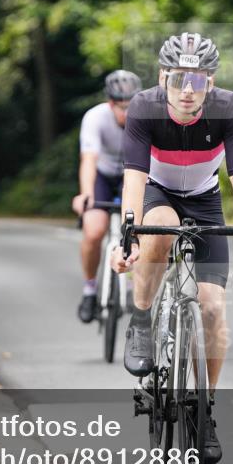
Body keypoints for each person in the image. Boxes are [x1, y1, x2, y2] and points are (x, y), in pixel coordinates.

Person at [111, 32, 233, 464]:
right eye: (179, 79)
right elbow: (133, 179)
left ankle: (203, 411)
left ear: (211, 82)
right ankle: (141, 321)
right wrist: (128, 237)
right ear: (162, 77)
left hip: (204, 201)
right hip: (157, 193)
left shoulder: (229, 108)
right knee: (162, 228)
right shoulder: (143, 107)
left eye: (198, 80)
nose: (187, 89)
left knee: (213, 309)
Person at [73, 70, 142, 323]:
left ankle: (133, 284)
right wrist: (86, 194)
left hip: (131, 176)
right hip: (102, 175)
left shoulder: (145, 118)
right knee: (93, 231)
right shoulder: (95, 117)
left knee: (139, 230)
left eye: (132, 106)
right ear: (110, 103)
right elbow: (88, 160)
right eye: (122, 107)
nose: (128, 112)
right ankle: (89, 289)